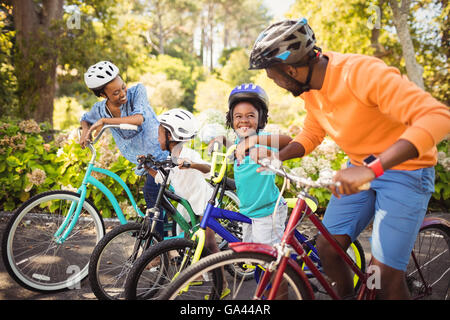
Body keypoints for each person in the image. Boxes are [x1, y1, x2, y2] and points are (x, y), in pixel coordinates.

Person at [240, 18, 450, 299]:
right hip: (360, 170)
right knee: (328, 247)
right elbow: (312, 133)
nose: (274, 82)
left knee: (386, 275)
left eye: (272, 75)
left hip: (407, 170)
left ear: (290, 69)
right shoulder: (311, 89)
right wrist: (276, 156)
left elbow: (439, 117)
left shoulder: (360, 73)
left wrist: (371, 169)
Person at [80, 60, 169, 238]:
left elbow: (138, 119)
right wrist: (84, 132)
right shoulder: (100, 109)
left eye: (123, 87)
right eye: (115, 92)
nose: (122, 94)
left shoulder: (137, 92)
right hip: (145, 162)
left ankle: (160, 250)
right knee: (156, 202)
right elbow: (86, 118)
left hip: (162, 154)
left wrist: (105, 122)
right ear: (103, 95)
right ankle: (167, 240)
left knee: (152, 194)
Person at [210, 84, 290, 249]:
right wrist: (223, 140)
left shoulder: (263, 138)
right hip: (248, 211)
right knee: (251, 255)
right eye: (238, 116)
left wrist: (255, 140)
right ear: (231, 120)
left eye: (250, 115)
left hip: (267, 212)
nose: (244, 120)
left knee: (268, 259)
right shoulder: (240, 143)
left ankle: (284, 274)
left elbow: (289, 141)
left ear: (261, 119)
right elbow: (240, 151)